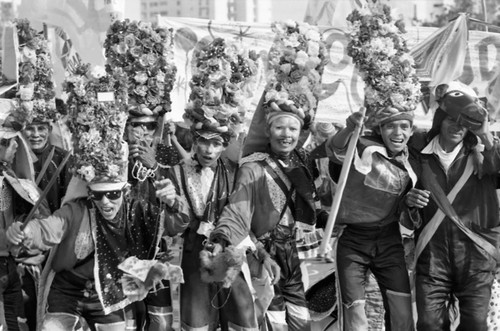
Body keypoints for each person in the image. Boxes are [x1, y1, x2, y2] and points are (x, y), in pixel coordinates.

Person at [160, 37, 259, 331]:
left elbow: (243, 214)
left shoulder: (234, 171)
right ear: (194, 137)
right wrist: (172, 206)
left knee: (241, 317)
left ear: (225, 143)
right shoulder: (175, 173)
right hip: (192, 256)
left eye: (217, 143)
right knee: (197, 322)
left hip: (229, 253)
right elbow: (171, 226)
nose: (209, 151)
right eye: (204, 141)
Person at [404, 81, 500, 331]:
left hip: (476, 257)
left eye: (464, 121)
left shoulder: (485, 154)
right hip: (432, 256)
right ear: (439, 120)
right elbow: (396, 194)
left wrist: (485, 135)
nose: (457, 126)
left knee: (475, 324)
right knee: (428, 323)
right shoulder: (416, 152)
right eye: (451, 119)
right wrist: (410, 202)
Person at [325, 106, 416, 331]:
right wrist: (349, 127)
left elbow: (407, 208)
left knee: (402, 313)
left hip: (390, 242)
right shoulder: (363, 146)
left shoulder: (415, 161)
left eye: (404, 126)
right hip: (353, 243)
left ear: (412, 131)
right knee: (355, 315)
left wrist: (412, 201)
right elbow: (336, 150)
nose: (398, 133)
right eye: (390, 126)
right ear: (380, 129)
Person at [0, 98, 50, 331]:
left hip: (11, 269)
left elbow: (36, 214)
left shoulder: (10, 180)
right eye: (12, 143)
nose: (19, 148)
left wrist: (25, 230)